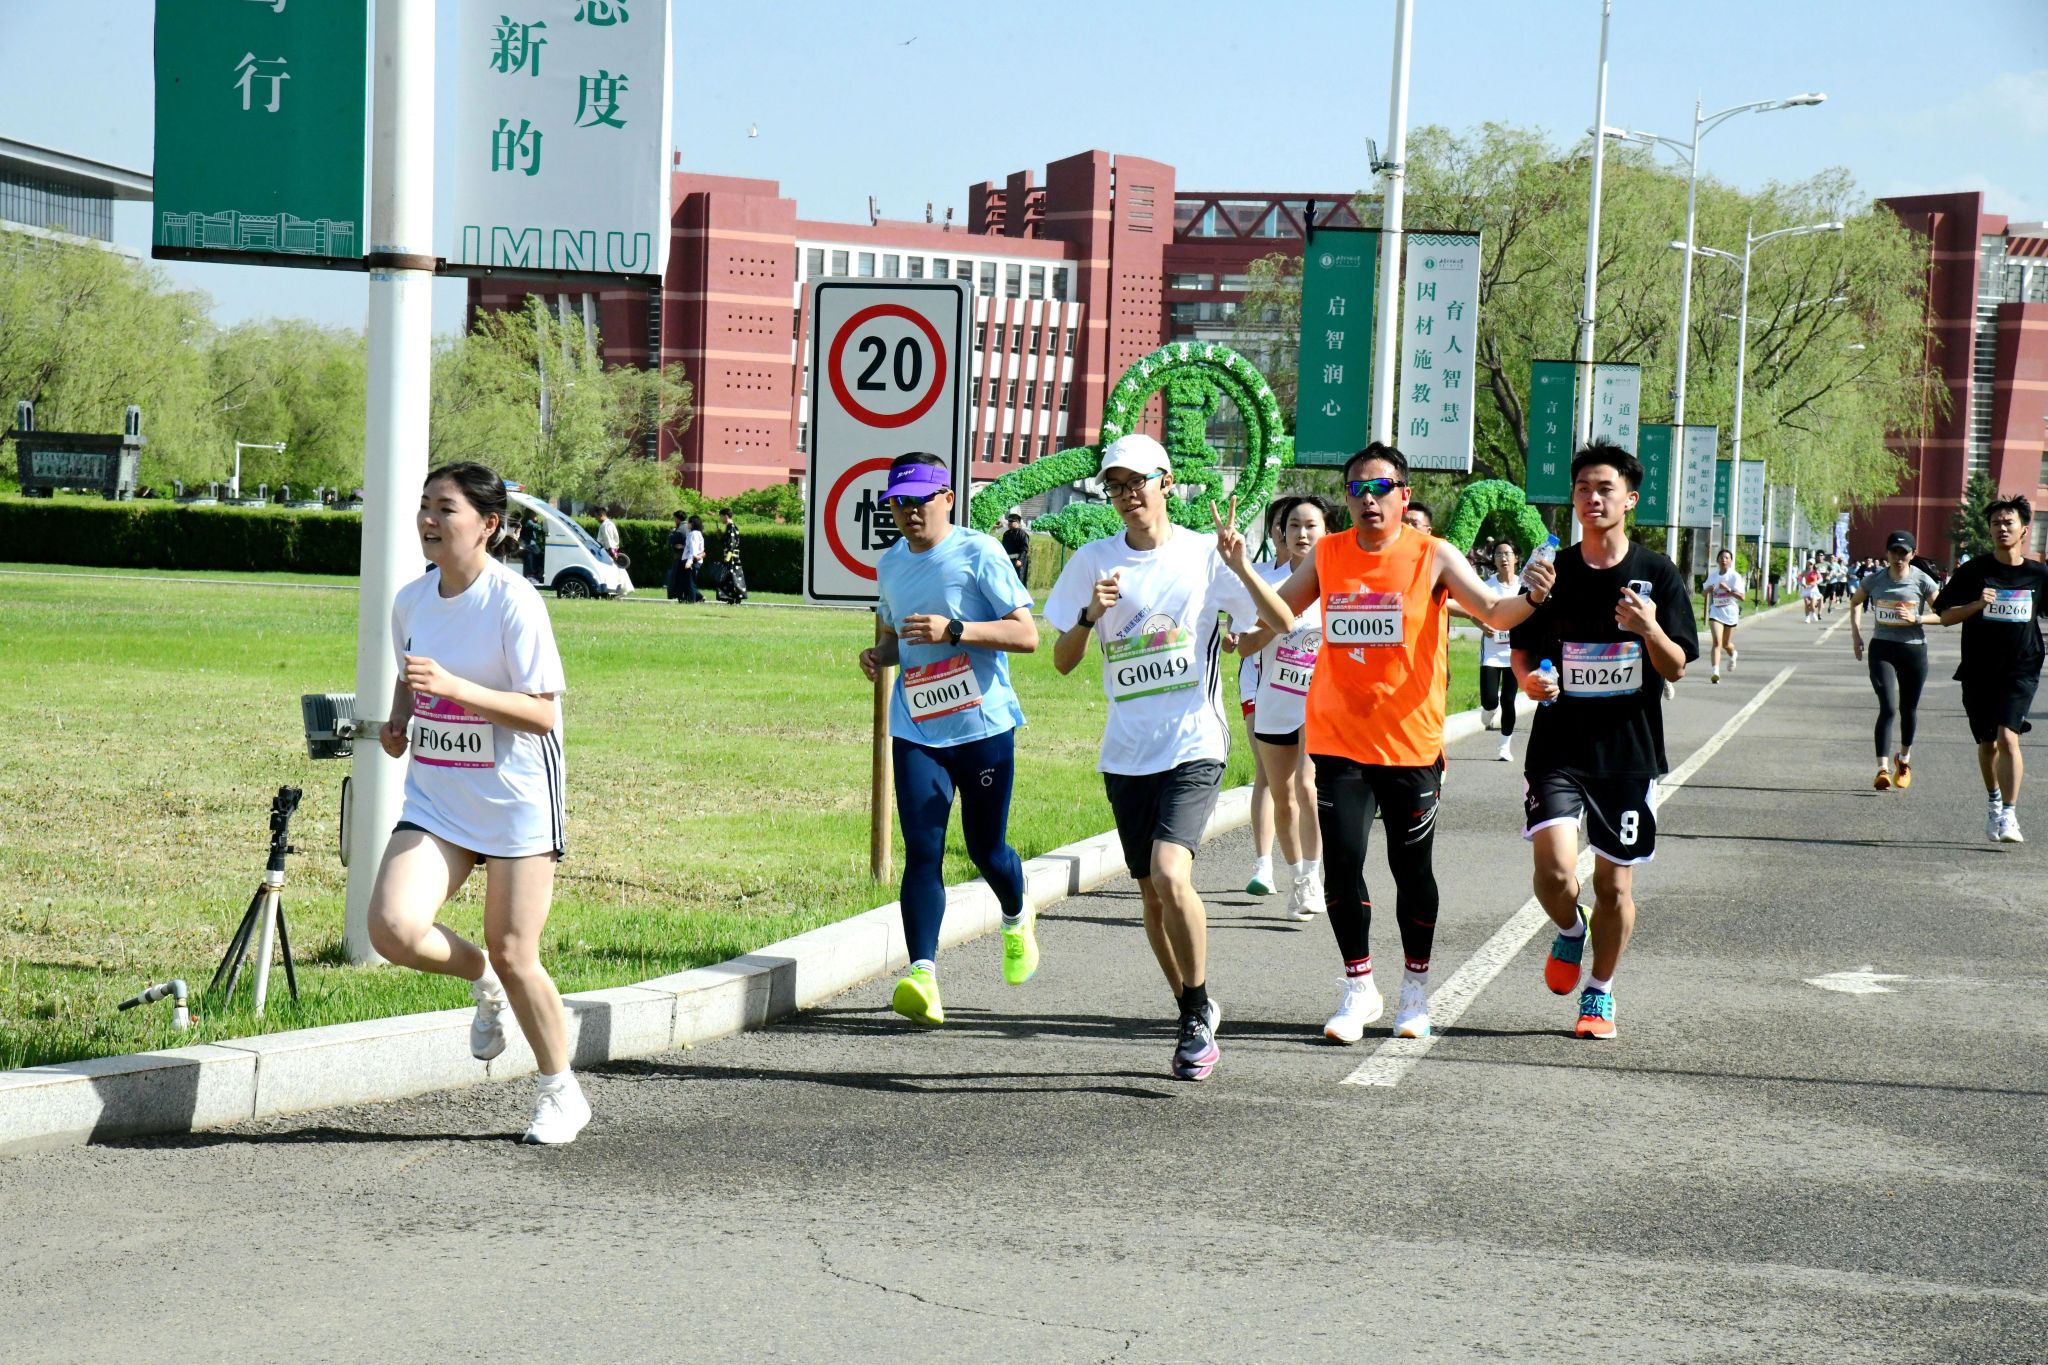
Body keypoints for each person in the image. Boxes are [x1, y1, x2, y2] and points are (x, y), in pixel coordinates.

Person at [1270, 442, 1554, 1043]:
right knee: (1342, 864)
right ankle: (1358, 987)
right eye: (1357, 489)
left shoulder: (1433, 555)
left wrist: (1531, 597)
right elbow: (1280, 611)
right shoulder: (1328, 553)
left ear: (1404, 495)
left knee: (1411, 870)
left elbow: (1493, 612)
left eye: (1381, 488)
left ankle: (1414, 989)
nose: (1368, 499)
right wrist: (1241, 571)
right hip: (1340, 740)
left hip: (1410, 745)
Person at [1046, 433, 1294, 1081]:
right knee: (1152, 897)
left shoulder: (1205, 555)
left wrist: (1241, 566)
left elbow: (1282, 622)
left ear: (1166, 481)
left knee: (1169, 872)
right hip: (1127, 754)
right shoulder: (1094, 561)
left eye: (1137, 482)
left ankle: (1194, 1013)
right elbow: (1063, 661)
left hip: (1195, 743)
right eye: (1115, 486)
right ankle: (1194, 1007)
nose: (1127, 495)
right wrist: (1088, 616)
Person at [367, 461, 585, 1144]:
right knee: (392, 929)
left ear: (488, 524)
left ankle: (561, 1093)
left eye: (446, 508)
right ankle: (482, 978)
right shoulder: (411, 600)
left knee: (517, 950)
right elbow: (412, 673)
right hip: (437, 797)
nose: (429, 519)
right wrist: (399, 719)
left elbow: (542, 714)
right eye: (425, 505)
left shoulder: (513, 601)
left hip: (516, 799)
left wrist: (456, 688)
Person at [1511, 440, 1699, 1041]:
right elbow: (1522, 649)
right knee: (1554, 873)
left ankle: (1600, 989)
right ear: (1573, 497)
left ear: (1630, 499)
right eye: (1583, 489)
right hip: (1558, 746)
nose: (1593, 498)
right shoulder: (1551, 571)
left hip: (1626, 752)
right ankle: (1571, 928)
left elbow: (1676, 667)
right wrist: (1529, 681)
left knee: (1614, 886)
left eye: (1605, 489)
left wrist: (1648, 629)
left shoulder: (1657, 573)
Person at [859, 453, 1041, 1025]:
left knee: (987, 850)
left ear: (947, 498)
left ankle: (1016, 914)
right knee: (923, 851)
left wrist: (955, 629)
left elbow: (1027, 635)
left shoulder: (979, 552)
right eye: (899, 503)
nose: (909, 512)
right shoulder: (891, 564)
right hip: (916, 728)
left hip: (982, 727)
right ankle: (923, 976)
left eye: (920, 500)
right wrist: (880, 654)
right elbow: (902, 639)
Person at [1234, 495, 1331, 920]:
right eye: (1294, 526)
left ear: (1327, 531)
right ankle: (1297, 876)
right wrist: (1276, 622)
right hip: (1275, 702)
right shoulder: (1268, 585)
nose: (1302, 533)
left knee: (1307, 787)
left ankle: (1313, 875)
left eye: (1311, 526)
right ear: (1282, 533)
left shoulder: (1337, 585)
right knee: (1283, 796)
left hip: (1319, 704)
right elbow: (1244, 646)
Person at [1935, 495, 2048, 843]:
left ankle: (2010, 815)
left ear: (2024, 529)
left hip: (2022, 667)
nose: (2001, 528)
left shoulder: (2038, 574)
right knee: (1988, 743)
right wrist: (1977, 604)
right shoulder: (1974, 571)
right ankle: (1994, 802)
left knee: (2008, 736)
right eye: (1996, 523)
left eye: (2008, 522)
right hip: (1979, 668)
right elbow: (1945, 616)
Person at [1850, 530, 1941, 791]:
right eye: (1894, 552)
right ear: (1887, 553)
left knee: (1908, 709)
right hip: (1883, 649)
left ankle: (1904, 760)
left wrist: (1918, 619)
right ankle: (1882, 769)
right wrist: (1856, 635)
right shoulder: (1875, 579)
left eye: (1904, 552)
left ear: (1912, 554)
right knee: (1888, 707)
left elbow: (1943, 614)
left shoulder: (1922, 580)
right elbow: (1855, 602)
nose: (1898, 557)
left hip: (1913, 650)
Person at [1236, 498, 1292, 899]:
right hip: (1259, 684)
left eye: (1305, 525)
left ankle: (1306, 865)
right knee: (1266, 772)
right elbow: (1238, 631)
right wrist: (1234, 638)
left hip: (1308, 689)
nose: (1292, 534)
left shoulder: (1322, 578)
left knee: (1304, 781)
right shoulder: (1259, 577)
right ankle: (1263, 865)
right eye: (1284, 526)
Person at [1479, 539, 1522, 762]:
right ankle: (1489, 709)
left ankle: (1504, 747)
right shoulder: (1486, 586)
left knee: (1508, 700)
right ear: (1494, 560)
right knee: (1490, 700)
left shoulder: (1523, 585)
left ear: (1516, 558)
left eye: (1507, 553)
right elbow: (1472, 610)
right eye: (1498, 554)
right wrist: (1482, 625)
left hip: (1515, 652)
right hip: (1491, 652)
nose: (1503, 558)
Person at [1703, 548, 1745, 683]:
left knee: (1726, 644)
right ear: (1717, 560)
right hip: (1716, 611)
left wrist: (1728, 589)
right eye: (1721, 557)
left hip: (1730, 612)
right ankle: (1715, 672)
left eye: (1727, 558)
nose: (1724, 560)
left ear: (1731, 561)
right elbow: (1703, 593)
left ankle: (1733, 654)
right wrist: (1708, 590)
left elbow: (1742, 597)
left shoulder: (1734, 576)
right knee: (1717, 642)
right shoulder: (1713, 576)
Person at [717, 507, 747, 604]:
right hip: (731, 557)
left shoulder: (732, 527)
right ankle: (731, 598)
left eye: (721, 517)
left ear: (726, 516)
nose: (720, 519)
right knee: (729, 578)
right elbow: (728, 543)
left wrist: (728, 557)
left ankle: (735, 598)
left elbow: (732, 544)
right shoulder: (730, 527)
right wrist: (721, 537)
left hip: (731, 557)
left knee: (733, 578)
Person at [665, 511, 690, 601]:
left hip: (679, 557)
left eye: (675, 518)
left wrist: (671, 533)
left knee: (675, 578)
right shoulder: (689, 527)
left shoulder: (679, 530)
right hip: (688, 557)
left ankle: (676, 595)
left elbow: (671, 541)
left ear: (678, 519)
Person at [1001, 511, 1031, 584]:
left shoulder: (1022, 534)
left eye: (1012, 521)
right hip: (1008, 561)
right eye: (1009, 521)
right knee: (1007, 581)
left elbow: (1024, 549)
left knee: (1018, 581)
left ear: (1017, 523)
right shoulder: (1006, 534)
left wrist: (1020, 560)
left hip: (1018, 562)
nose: (1009, 523)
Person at [520, 510, 546, 582]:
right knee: (540, 555)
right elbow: (537, 527)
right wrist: (542, 526)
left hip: (531, 543)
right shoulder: (527, 521)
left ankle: (537, 573)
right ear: (530, 513)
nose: (536, 514)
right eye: (534, 513)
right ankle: (534, 574)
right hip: (528, 544)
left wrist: (536, 521)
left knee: (540, 554)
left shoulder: (529, 520)